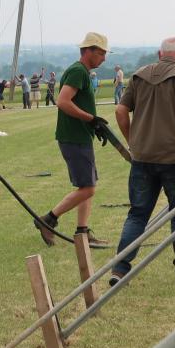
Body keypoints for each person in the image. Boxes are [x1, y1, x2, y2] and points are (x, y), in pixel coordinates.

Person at [110, 37, 175, 286]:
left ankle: (120, 268)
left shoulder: (138, 75)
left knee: (137, 215)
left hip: (142, 158)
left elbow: (120, 111)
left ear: (159, 54)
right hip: (174, 160)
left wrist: (133, 141)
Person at [34, 33, 110, 248]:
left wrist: (92, 125)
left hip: (79, 136)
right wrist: (91, 119)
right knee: (88, 188)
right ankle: (48, 219)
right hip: (74, 137)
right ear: (88, 51)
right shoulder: (78, 71)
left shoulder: (83, 72)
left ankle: (83, 232)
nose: (104, 58)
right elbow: (63, 102)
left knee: (88, 184)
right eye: (101, 52)